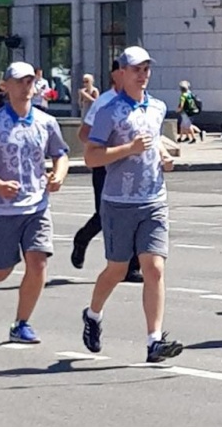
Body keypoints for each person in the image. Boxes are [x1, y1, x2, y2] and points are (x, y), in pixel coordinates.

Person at [81, 46, 183, 363]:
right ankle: (93, 314)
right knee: (117, 269)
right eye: (136, 69)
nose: (142, 75)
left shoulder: (157, 107)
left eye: (146, 69)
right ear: (121, 73)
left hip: (153, 199)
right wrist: (128, 148)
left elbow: (153, 143)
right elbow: (91, 156)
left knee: (154, 268)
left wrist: (165, 156)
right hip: (119, 201)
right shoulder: (109, 110)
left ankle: (154, 341)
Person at [0, 61, 70, 344]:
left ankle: (21, 323)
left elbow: (60, 154)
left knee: (38, 263)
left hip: (37, 205)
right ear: (5, 86)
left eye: (30, 81)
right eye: (20, 81)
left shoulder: (46, 122)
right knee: (2, 268)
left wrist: (58, 175)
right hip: (1, 208)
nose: (26, 87)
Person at [71, 59, 142, 283]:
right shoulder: (104, 102)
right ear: (116, 75)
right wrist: (108, 149)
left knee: (136, 212)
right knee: (106, 214)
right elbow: (84, 134)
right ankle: (82, 239)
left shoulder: (142, 101)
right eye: (128, 71)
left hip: (134, 167)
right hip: (106, 166)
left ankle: (132, 266)